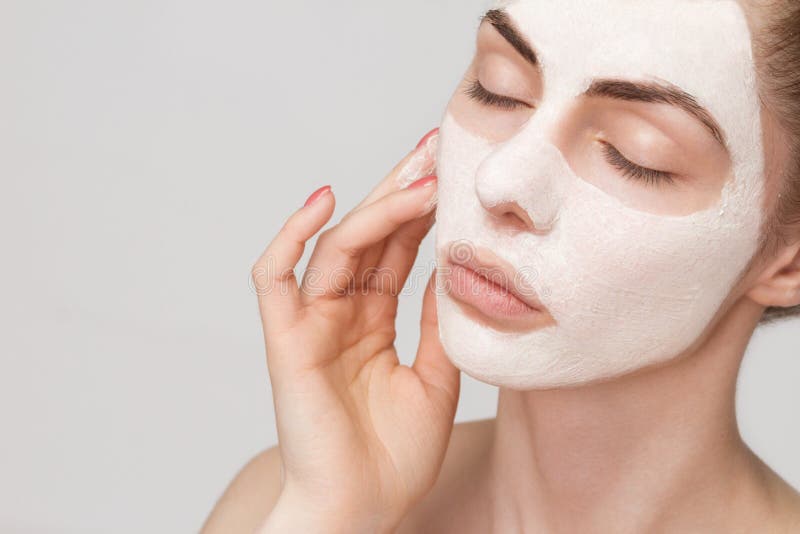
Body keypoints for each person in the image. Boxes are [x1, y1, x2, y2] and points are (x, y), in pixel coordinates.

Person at [203, 1, 800, 532]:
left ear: (788, 260)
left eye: (635, 155)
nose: (500, 181)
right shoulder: (280, 504)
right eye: (499, 89)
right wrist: (330, 515)